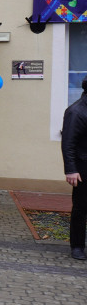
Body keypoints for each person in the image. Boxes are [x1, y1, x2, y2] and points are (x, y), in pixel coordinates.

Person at [61, 75, 87, 260]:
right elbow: (68, 143)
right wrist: (71, 169)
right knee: (81, 208)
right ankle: (77, 246)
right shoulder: (76, 111)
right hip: (83, 168)